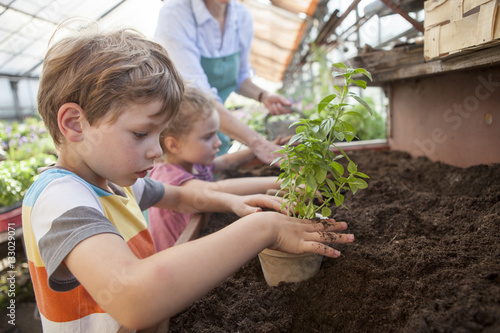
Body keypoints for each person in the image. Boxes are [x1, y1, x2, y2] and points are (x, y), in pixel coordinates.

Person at [22, 25, 354, 332]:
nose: (156, 151)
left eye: (159, 134)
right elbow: (131, 297)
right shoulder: (60, 199)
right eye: (141, 133)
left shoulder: (115, 184)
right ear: (75, 124)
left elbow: (182, 196)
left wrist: (233, 201)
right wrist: (262, 228)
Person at [154, 0, 293, 162]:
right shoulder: (175, 13)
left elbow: (240, 77)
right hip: (185, 144)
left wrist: (263, 95)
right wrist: (258, 143)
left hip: (215, 131)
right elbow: (197, 92)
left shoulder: (242, 16)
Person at [149, 86, 284, 250]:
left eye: (216, 134)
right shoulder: (168, 176)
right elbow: (214, 188)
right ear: (174, 145)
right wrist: (281, 181)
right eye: (208, 137)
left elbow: (226, 162)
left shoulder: (195, 163)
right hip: (180, 258)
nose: (218, 142)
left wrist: (260, 149)